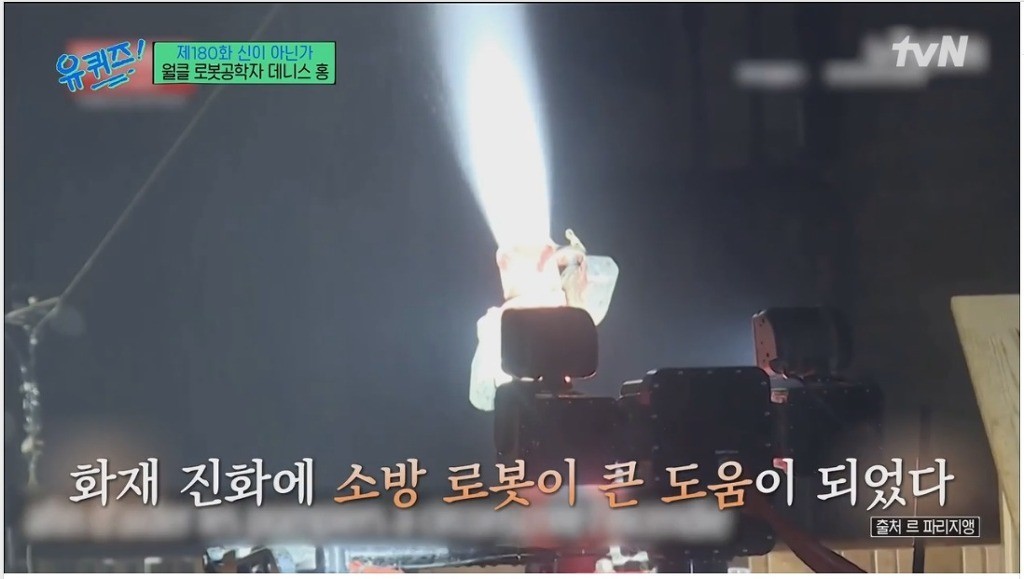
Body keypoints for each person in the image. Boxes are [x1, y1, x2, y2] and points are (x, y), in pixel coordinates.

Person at [469, 230, 618, 411]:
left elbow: (604, 276)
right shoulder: (497, 324)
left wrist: (580, 264)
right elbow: (483, 396)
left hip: (569, 411)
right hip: (526, 414)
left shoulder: (570, 308)